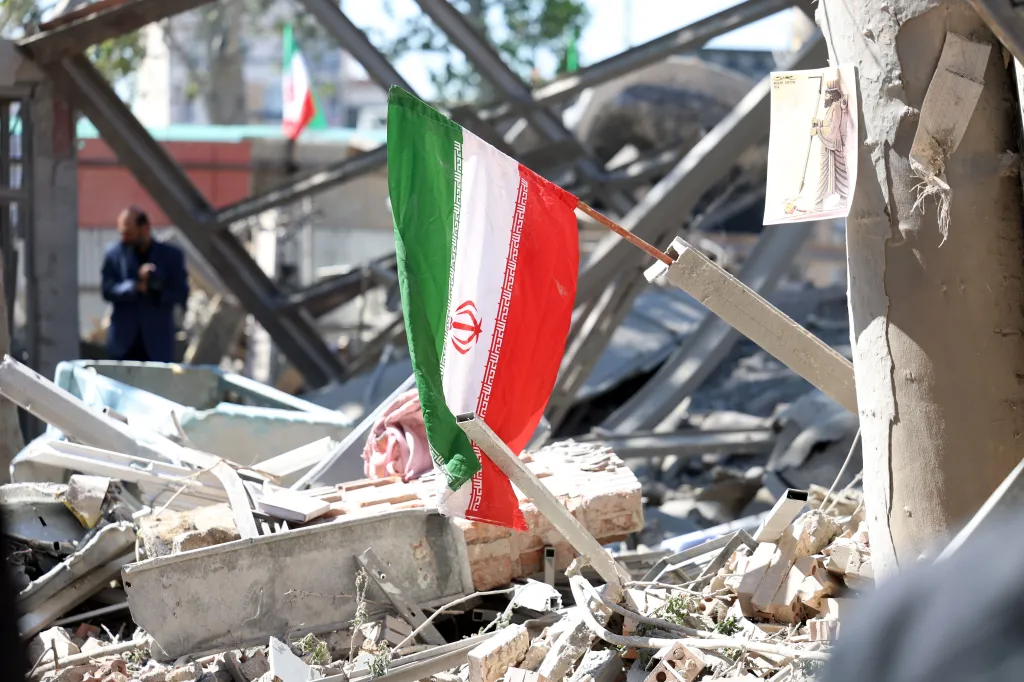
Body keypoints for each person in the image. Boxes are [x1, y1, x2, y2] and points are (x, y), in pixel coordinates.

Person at [101, 206, 189, 363]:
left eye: (129, 233)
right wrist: (135, 286)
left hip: (157, 345)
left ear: (144, 228)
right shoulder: (114, 253)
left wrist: (156, 289)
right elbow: (107, 290)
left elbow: (181, 293)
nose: (124, 238)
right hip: (123, 345)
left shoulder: (171, 256)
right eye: (122, 233)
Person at [810, 79, 850, 212]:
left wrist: (817, 131)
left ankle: (819, 203)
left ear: (832, 95)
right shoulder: (833, 107)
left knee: (837, 173)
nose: (824, 98)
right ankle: (819, 203)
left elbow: (833, 129)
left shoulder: (837, 107)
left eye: (826, 95)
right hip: (828, 146)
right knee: (826, 173)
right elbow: (828, 124)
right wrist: (819, 123)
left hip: (833, 145)